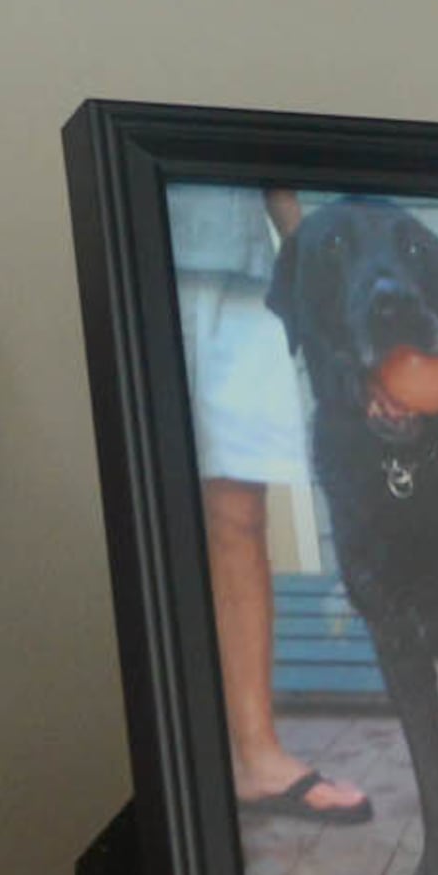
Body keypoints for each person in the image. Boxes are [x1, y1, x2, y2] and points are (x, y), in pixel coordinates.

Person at [171, 184, 369, 825]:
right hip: (153, 253)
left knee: (239, 515)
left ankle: (256, 758)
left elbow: (261, 161)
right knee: (149, 507)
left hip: (245, 267)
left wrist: (300, 244)